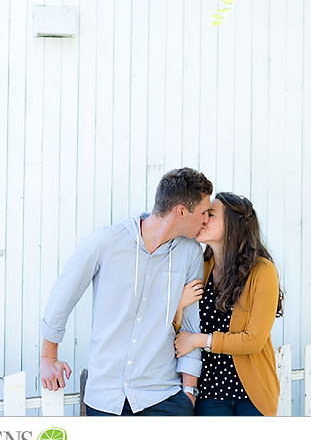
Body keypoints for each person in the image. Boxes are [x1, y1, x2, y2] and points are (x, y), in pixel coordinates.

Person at [40, 167, 212, 416]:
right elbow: (63, 296)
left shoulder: (190, 254)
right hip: (106, 399)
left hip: (163, 397)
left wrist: (190, 393)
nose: (206, 220)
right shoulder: (106, 242)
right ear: (181, 211)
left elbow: (190, 326)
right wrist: (48, 358)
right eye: (204, 212)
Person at [172, 192, 283, 416]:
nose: (203, 219)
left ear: (233, 224)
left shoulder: (262, 272)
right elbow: (181, 334)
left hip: (251, 396)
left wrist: (198, 340)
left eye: (210, 214)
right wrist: (179, 306)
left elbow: (253, 341)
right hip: (209, 394)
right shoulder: (200, 268)